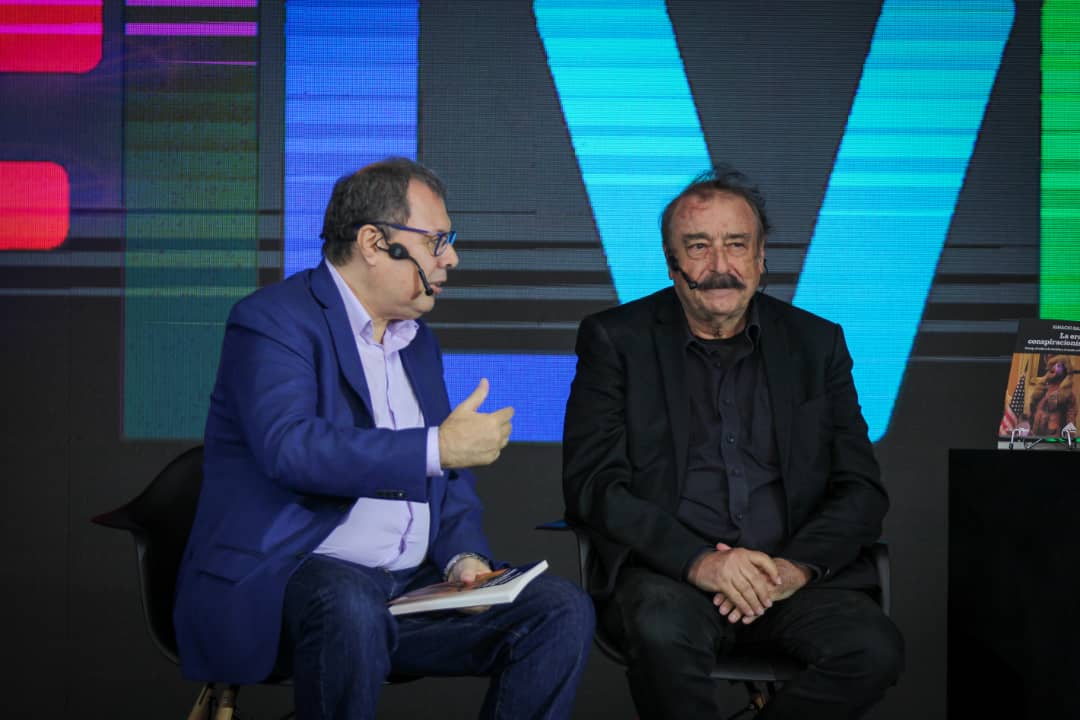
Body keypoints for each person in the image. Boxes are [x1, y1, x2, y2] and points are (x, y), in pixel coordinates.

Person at [174, 157, 594, 720]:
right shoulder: (272, 321)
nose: (451, 258)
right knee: (349, 604)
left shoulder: (418, 342)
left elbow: (446, 479)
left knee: (559, 609)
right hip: (290, 582)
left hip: (406, 589)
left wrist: (464, 558)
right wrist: (435, 447)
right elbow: (290, 447)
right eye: (437, 241)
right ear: (374, 242)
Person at [562, 166, 903, 719]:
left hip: (788, 582)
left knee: (872, 649)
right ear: (671, 262)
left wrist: (793, 570)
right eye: (698, 247)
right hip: (670, 578)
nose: (720, 266)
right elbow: (593, 484)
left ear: (761, 257)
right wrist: (698, 562)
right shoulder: (616, 340)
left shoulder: (816, 343)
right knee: (659, 629)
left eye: (737, 245)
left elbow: (861, 490)